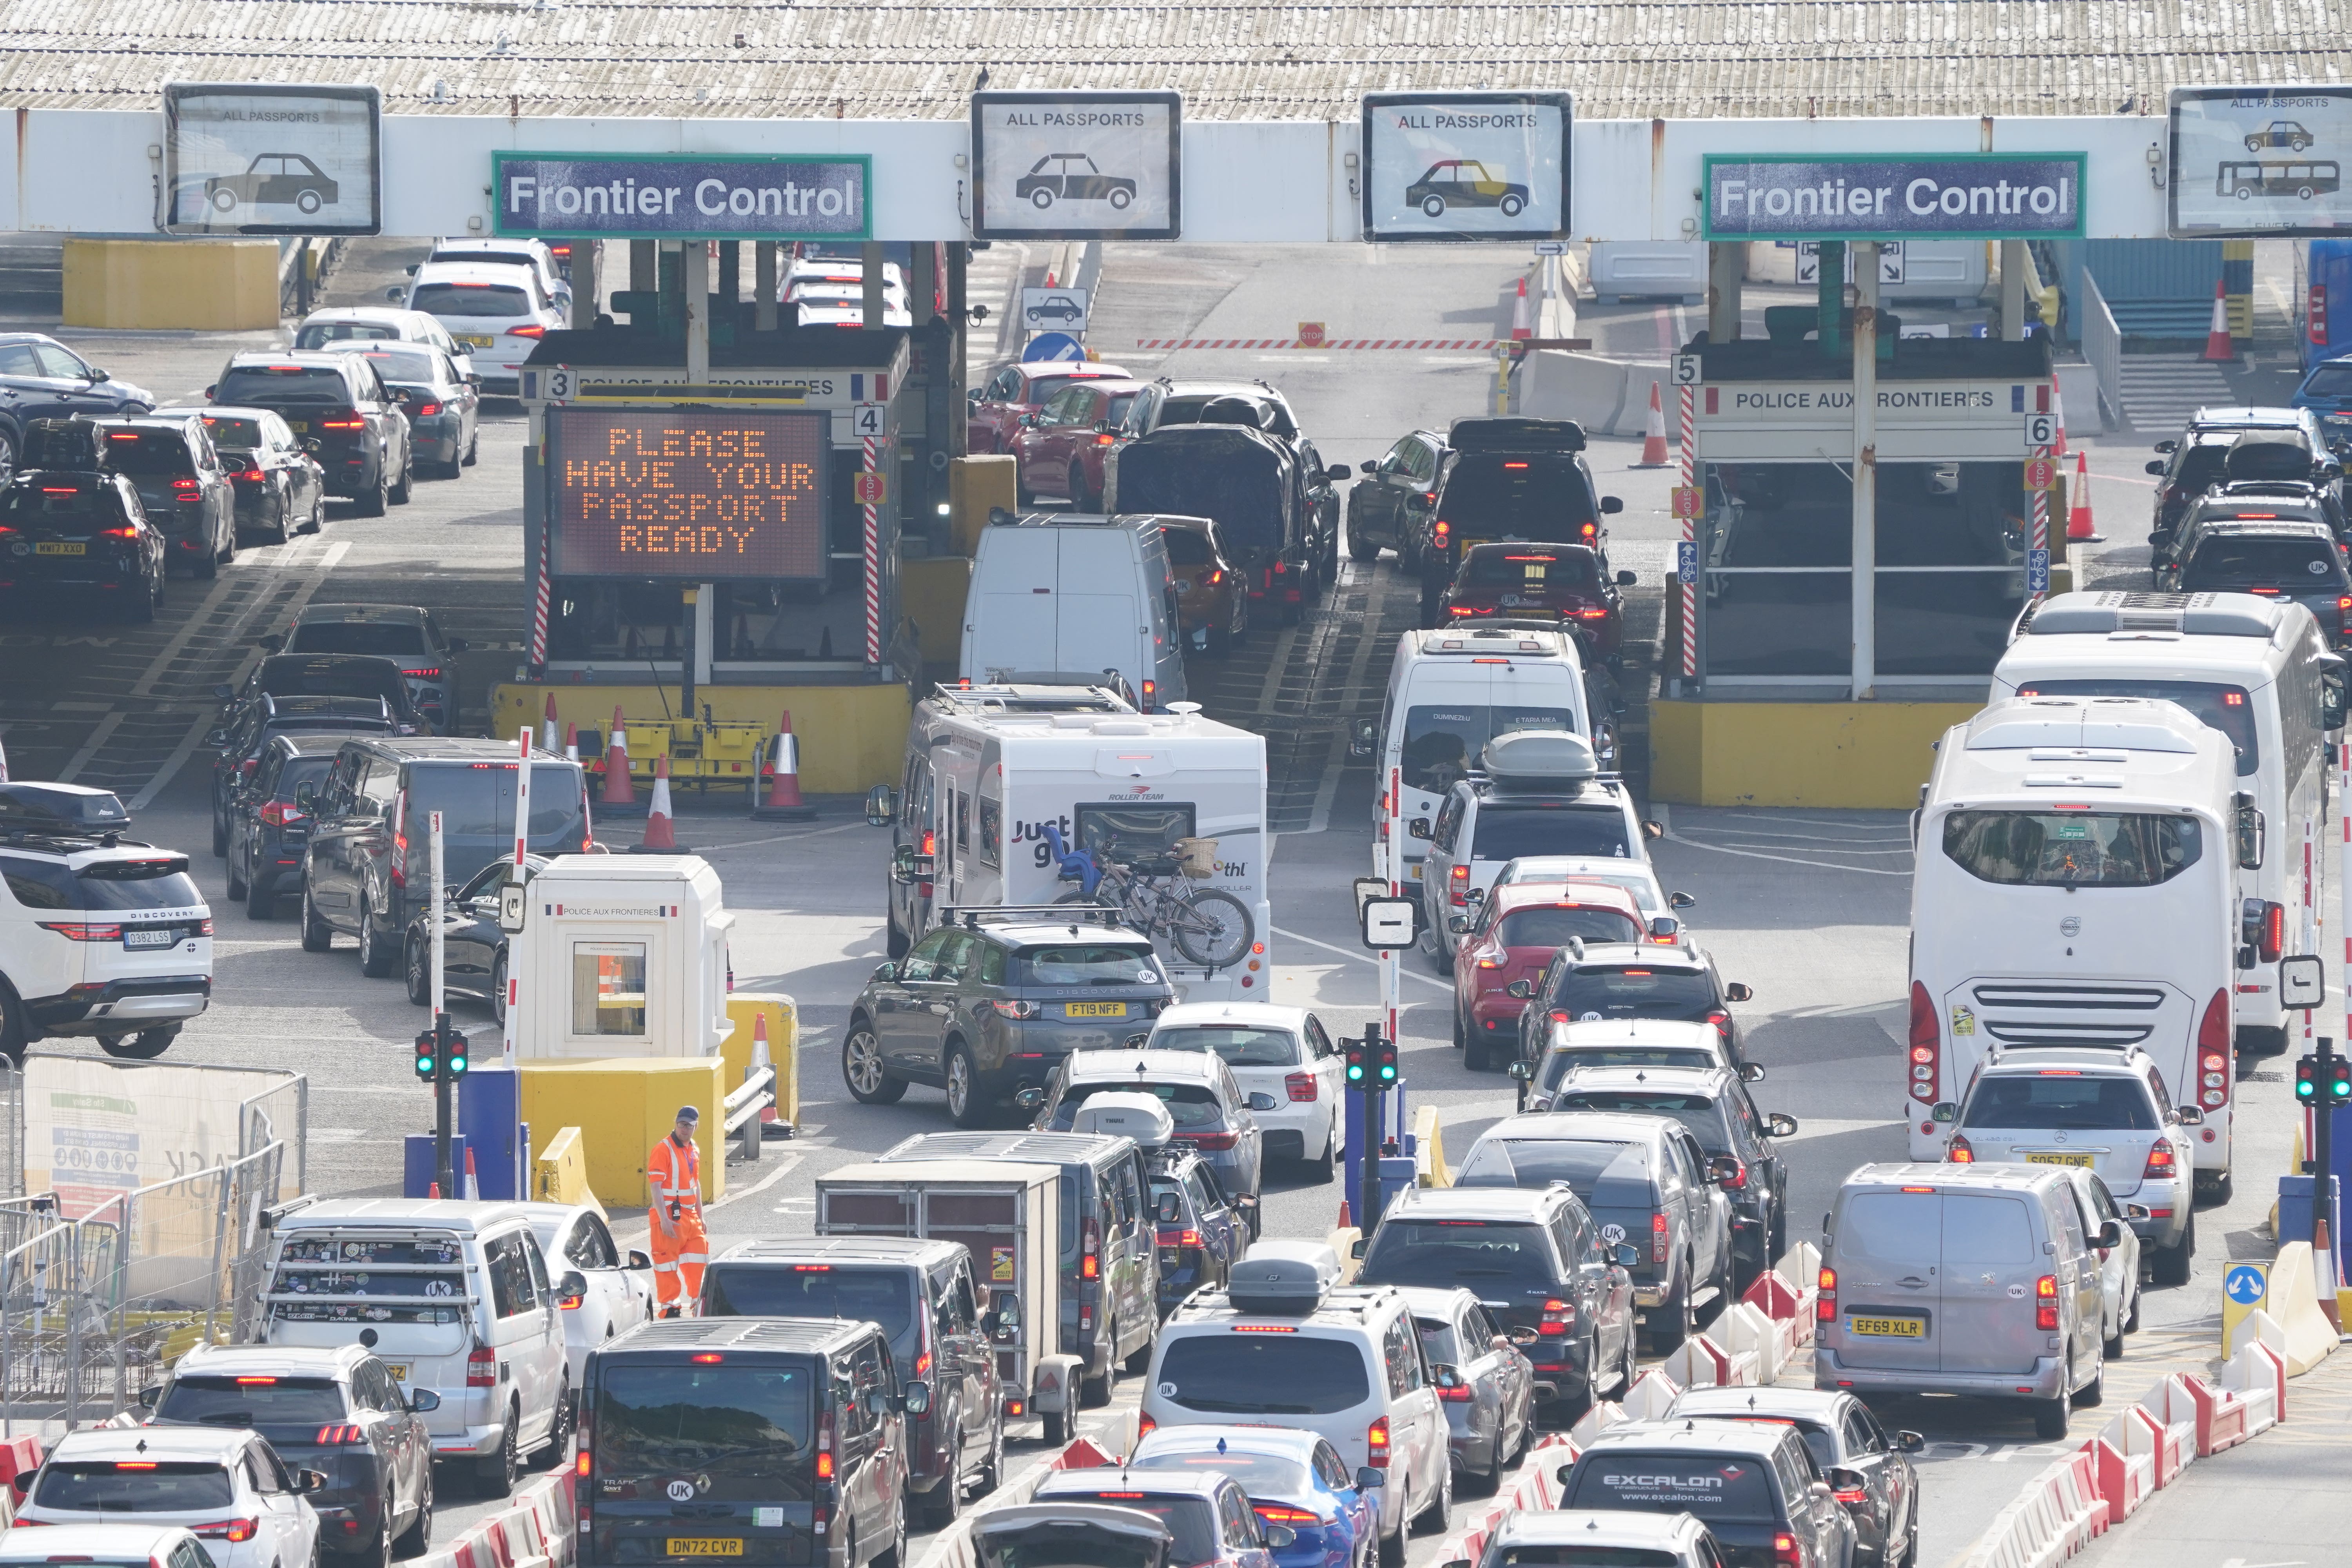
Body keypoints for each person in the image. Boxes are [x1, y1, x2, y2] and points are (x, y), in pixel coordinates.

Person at [647, 1105, 708, 1316]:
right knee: (666, 1266)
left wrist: (701, 1217)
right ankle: (670, 1308)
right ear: (676, 1124)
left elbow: (695, 1184)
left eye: (689, 1126)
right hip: (670, 1218)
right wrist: (663, 1219)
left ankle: (699, 1304)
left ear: (696, 1127)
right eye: (681, 1125)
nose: (684, 1129)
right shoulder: (662, 1149)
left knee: (698, 1264)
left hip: (691, 1218)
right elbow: (655, 1186)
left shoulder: (694, 1148)